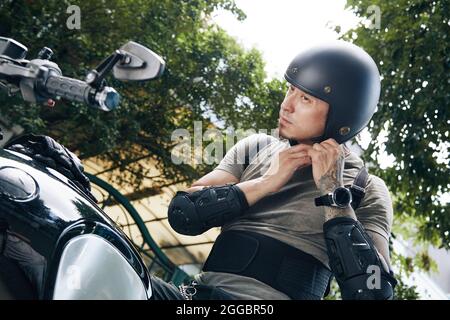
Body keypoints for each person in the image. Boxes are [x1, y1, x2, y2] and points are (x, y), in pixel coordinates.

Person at [4, 40, 397, 300]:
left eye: (306, 98)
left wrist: (332, 195)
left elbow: (373, 292)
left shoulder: (366, 187)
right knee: (63, 263)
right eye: (290, 90)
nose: (288, 104)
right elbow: (184, 213)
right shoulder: (258, 148)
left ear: (343, 117)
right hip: (194, 298)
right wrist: (266, 182)